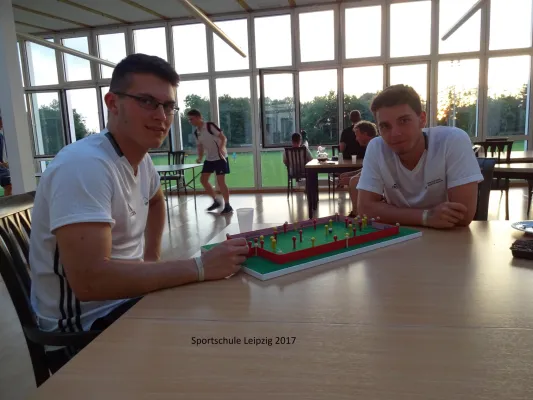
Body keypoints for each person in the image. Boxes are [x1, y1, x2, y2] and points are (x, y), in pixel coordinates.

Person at [28, 54, 249, 372]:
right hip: (83, 332)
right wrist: (200, 267)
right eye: (147, 101)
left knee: (227, 318)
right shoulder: (84, 166)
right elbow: (90, 282)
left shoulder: (140, 160)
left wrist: (151, 260)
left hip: (126, 302)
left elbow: (156, 201)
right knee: (215, 344)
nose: (161, 116)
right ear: (113, 103)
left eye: (168, 106)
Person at [356, 84, 483, 229]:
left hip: (448, 237)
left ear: (422, 119)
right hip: (400, 237)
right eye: (385, 126)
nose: (395, 133)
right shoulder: (377, 147)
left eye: (404, 121)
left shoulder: (452, 140)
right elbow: (365, 209)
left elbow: (462, 215)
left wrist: (390, 213)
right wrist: (426, 217)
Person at [187, 109, 233, 215]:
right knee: (203, 180)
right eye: (189, 120)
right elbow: (200, 146)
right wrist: (200, 157)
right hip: (209, 159)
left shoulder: (209, 126)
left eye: (191, 119)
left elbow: (223, 138)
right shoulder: (196, 132)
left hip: (220, 157)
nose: (190, 121)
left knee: (221, 182)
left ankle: (227, 205)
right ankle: (216, 201)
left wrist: (221, 149)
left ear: (198, 117)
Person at [336, 121, 378, 217]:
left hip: (381, 179)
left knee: (354, 181)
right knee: (353, 179)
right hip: (376, 177)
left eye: (357, 135)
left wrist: (351, 178)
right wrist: (350, 174)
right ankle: (356, 212)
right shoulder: (371, 145)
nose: (356, 138)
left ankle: (356, 214)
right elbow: (367, 168)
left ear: (365, 134)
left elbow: (370, 171)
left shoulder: (375, 146)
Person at [0, 116, 12, 196]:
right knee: (9, 185)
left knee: (9, 185)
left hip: (2, 167)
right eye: (1, 123)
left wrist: (4, 163)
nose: (2, 125)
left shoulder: (1, 136)